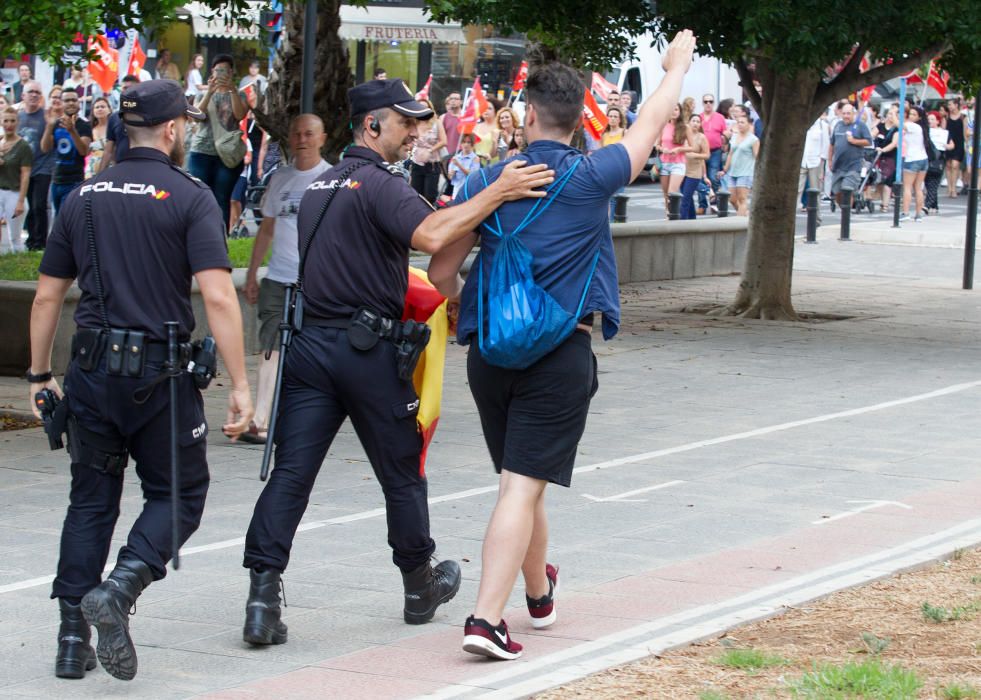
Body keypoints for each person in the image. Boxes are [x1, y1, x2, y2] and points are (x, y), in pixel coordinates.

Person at [239, 78, 554, 647]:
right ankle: (418, 584)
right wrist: (499, 191)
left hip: (310, 349)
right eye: (404, 122)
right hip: (367, 352)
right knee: (403, 475)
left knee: (291, 473)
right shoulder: (378, 185)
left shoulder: (319, 187)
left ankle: (262, 598)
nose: (415, 132)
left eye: (417, 121)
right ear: (370, 126)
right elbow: (433, 235)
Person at [426, 31, 696, 661]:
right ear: (581, 118)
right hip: (559, 357)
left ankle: (538, 592)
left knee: (523, 477)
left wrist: (468, 301)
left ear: (524, 116)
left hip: (491, 357)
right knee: (521, 486)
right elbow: (654, 116)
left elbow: (440, 274)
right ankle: (485, 620)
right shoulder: (592, 176)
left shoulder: (486, 183)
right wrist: (676, 66)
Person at [28, 79, 253, 682]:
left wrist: (39, 373)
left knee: (90, 502)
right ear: (175, 130)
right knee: (179, 494)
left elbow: (48, 296)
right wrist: (241, 385)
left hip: (92, 375)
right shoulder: (190, 195)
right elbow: (218, 297)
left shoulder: (82, 197)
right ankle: (120, 589)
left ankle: (71, 643)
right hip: (161, 378)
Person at [242, 114, 331, 444]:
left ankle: (304, 416)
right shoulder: (279, 178)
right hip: (278, 279)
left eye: (309, 133)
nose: (302, 139)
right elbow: (266, 230)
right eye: (296, 134)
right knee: (271, 346)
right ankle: (261, 418)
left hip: (315, 283)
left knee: (311, 352)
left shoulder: (330, 180)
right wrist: (252, 273)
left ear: (322, 138)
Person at [187, 54, 248, 227]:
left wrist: (232, 90)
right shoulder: (202, 94)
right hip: (201, 152)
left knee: (222, 197)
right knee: (199, 196)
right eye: (217, 70)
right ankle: (199, 234)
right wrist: (209, 92)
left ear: (231, 73)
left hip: (227, 155)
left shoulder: (239, 94)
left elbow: (239, 115)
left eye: (224, 71)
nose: (220, 74)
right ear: (211, 73)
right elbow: (196, 117)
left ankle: (220, 240)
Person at [18, 81, 57, 250]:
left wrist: (50, 125)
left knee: (39, 205)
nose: (34, 95)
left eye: (37, 92)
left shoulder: (46, 116)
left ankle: (40, 243)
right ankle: (31, 240)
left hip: (43, 166)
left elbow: (48, 146)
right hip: (23, 170)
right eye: (30, 92)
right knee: (27, 206)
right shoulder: (18, 117)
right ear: (23, 96)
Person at [41, 87, 92, 215]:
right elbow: (45, 148)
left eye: (74, 100)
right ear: (61, 103)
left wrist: (72, 130)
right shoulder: (55, 124)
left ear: (79, 103)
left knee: (64, 220)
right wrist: (49, 126)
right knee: (57, 220)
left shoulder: (84, 125)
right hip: (56, 181)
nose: (70, 103)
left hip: (74, 182)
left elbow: (83, 151)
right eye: (67, 100)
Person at [827, 102, 871, 214]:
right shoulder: (838, 125)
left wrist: (854, 141)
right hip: (838, 165)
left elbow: (868, 141)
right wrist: (830, 160)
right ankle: (844, 210)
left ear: (854, 114)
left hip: (854, 165)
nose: (846, 116)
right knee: (836, 191)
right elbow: (832, 144)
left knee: (847, 190)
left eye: (849, 113)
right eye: (844, 113)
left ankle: (846, 216)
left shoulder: (860, 125)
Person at [0, 106, 32, 253]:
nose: (9, 124)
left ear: (17, 123)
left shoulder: (23, 146)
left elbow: (25, 174)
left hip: (14, 192)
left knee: (15, 237)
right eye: (5, 120)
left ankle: (18, 266)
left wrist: (20, 201)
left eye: (12, 121)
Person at [97, 75, 140, 174]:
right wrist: (98, 177)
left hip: (142, 169)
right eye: (125, 88)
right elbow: (108, 151)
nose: (127, 91)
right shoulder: (114, 117)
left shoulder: (149, 115)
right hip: (120, 170)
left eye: (131, 88)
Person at [719, 114, 759, 216]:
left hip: (746, 172)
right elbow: (730, 154)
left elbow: (757, 157)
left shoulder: (753, 139)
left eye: (742, 122)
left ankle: (739, 221)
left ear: (749, 124)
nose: (740, 124)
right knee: (732, 199)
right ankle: (745, 215)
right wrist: (725, 170)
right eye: (738, 122)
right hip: (733, 172)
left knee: (742, 199)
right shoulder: (735, 137)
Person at [409, 99, 447, 205]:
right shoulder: (413, 123)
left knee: (429, 196)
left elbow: (444, 141)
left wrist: (430, 150)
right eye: (420, 106)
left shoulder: (436, 122)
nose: (423, 109)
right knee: (415, 195)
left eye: (426, 107)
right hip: (416, 163)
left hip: (432, 164)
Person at [900, 105, 929, 222]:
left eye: (914, 114)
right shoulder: (922, 128)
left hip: (912, 159)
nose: (911, 116)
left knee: (907, 187)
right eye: (910, 113)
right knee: (918, 188)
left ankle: (906, 213)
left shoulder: (913, 126)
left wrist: (894, 114)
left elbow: (899, 124)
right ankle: (918, 214)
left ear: (919, 117)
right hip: (923, 159)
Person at [658, 103, 688, 214]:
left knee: (672, 193)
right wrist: (662, 149)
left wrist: (679, 149)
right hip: (664, 163)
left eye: (676, 109)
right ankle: (669, 215)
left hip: (678, 163)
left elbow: (693, 147)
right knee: (666, 194)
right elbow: (657, 144)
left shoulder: (685, 127)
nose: (673, 112)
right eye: (671, 109)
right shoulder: (664, 126)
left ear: (680, 112)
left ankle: (675, 216)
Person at [798, 115, 829, 214]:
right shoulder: (802, 122)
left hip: (816, 161)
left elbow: (825, 145)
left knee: (815, 191)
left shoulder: (822, 125)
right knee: (797, 189)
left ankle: (817, 218)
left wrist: (822, 162)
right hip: (802, 160)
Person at [681, 113, 709, 219]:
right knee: (688, 198)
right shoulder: (684, 136)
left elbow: (707, 155)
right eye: (693, 121)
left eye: (698, 121)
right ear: (689, 122)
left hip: (694, 172)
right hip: (682, 170)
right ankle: (692, 219)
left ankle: (682, 222)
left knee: (685, 198)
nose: (695, 123)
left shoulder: (702, 138)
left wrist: (695, 155)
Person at [873, 106, 899, 213]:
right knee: (878, 180)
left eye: (893, 114)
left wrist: (883, 150)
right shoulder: (880, 126)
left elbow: (894, 143)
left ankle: (885, 204)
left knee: (887, 181)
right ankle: (882, 199)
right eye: (889, 113)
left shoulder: (896, 129)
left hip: (890, 157)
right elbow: (872, 135)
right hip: (878, 156)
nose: (890, 116)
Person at [925, 111, 951, 214]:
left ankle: (928, 205)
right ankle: (934, 205)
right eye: (929, 119)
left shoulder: (943, 133)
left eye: (932, 119)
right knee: (928, 183)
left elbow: (951, 144)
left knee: (934, 182)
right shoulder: (926, 131)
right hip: (927, 157)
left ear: (938, 121)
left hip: (939, 158)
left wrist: (946, 146)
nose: (930, 121)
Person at [84, 97, 111, 179]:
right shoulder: (89, 128)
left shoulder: (114, 127)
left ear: (109, 109)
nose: (100, 109)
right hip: (92, 166)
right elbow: (86, 151)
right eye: (97, 107)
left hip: (110, 165)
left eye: (103, 107)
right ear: (93, 111)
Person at [448, 132, 481, 198]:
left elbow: (473, 175)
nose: (466, 144)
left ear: (472, 144)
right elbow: (450, 177)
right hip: (457, 188)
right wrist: (451, 174)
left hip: (469, 189)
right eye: (464, 142)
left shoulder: (475, 158)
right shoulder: (455, 158)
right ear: (460, 143)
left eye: (468, 142)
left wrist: (459, 165)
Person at [945, 98, 966, 197]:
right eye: (948, 105)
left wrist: (967, 144)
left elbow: (965, 132)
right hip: (948, 142)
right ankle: (949, 188)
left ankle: (954, 188)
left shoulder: (963, 117)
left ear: (956, 105)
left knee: (955, 165)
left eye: (950, 104)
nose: (949, 107)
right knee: (948, 165)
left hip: (959, 143)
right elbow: (944, 131)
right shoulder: (947, 117)